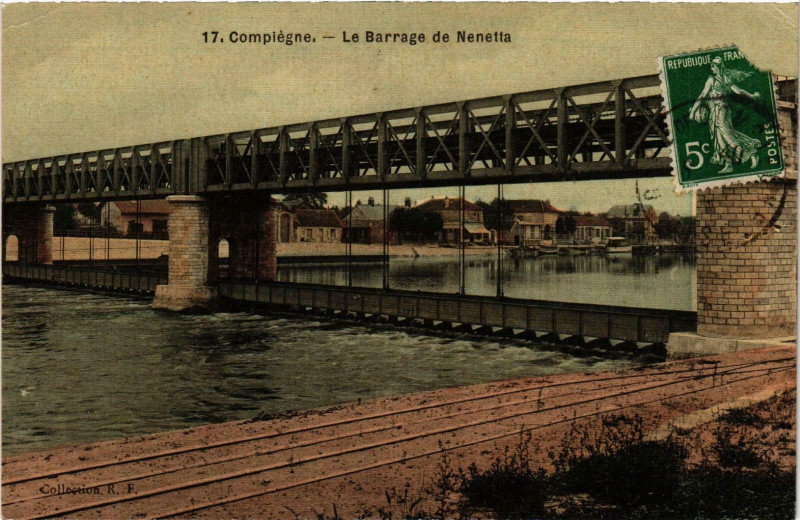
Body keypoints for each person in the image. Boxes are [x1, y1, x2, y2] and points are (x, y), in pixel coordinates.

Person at [689, 56, 761, 174]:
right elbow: (738, 91)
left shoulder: (713, 79)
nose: (711, 69)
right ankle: (729, 164)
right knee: (720, 138)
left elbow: (703, 94)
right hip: (717, 111)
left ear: (717, 67)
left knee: (727, 136)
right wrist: (751, 96)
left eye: (713, 66)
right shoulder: (725, 78)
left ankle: (751, 153)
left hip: (720, 110)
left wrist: (692, 112)